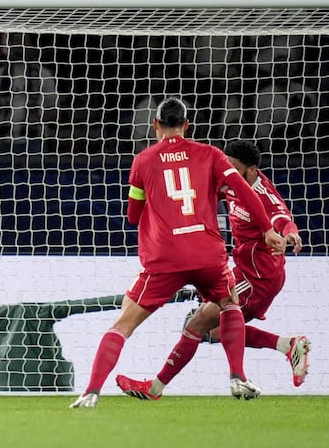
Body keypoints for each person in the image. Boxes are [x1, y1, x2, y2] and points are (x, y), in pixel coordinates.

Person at [70, 99, 288, 408]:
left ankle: (91, 391)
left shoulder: (143, 161)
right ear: (187, 126)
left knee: (123, 324)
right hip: (207, 255)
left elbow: (133, 216)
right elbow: (242, 190)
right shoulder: (211, 154)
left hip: (166, 258)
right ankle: (237, 376)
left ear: (155, 125)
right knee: (230, 304)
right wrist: (267, 228)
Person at [116, 140, 309, 400]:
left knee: (197, 323)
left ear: (251, 170)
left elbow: (281, 218)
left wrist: (291, 234)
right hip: (246, 271)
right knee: (213, 332)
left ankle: (158, 388)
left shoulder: (264, 195)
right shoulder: (232, 183)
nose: (226, 170)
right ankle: (288, 345)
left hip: (259, 277)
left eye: (233, 166)